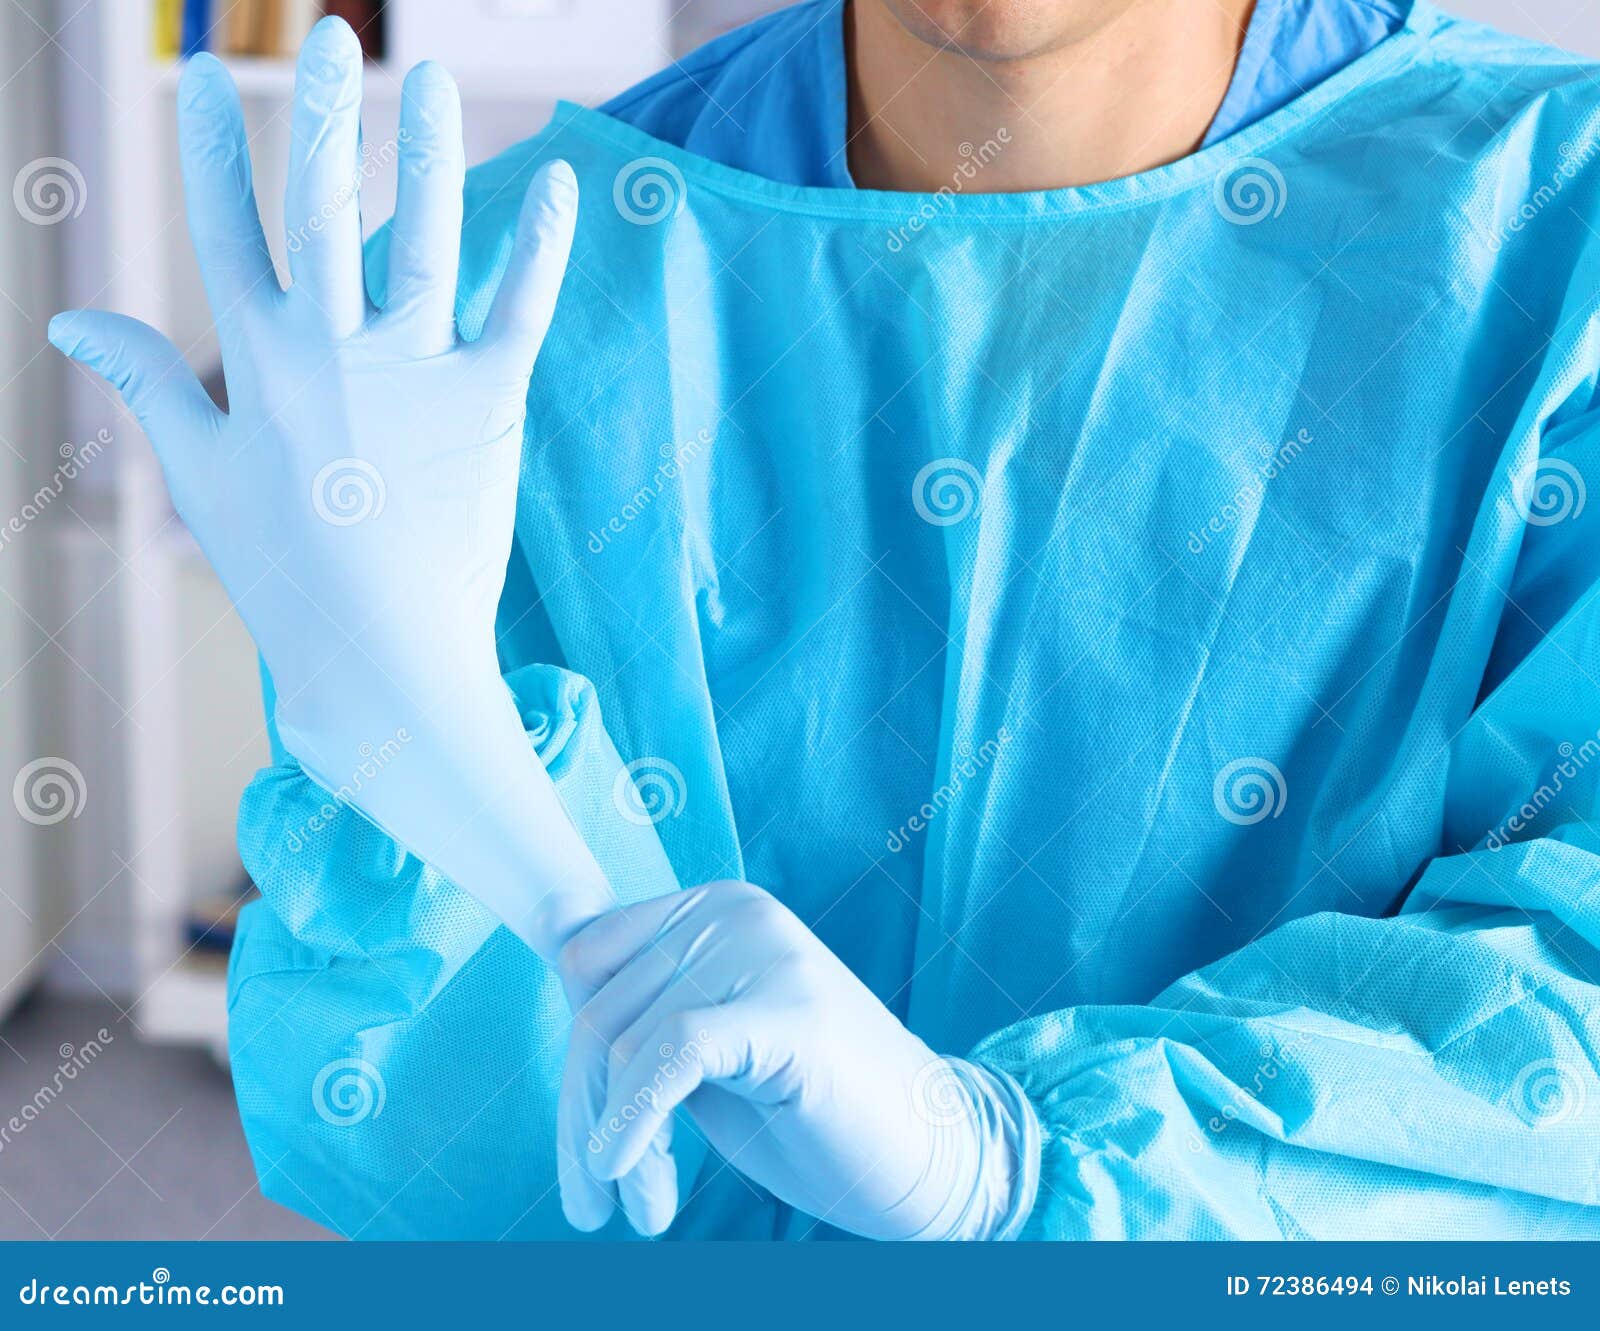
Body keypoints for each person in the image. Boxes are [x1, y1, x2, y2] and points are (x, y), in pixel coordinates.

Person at [49, 0, 1600, 1240]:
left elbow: (1558, 1052)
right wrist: (408, 741)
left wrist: (1010, 1179)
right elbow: (491, 1182)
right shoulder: (484, 322)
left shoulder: (1555, 240)